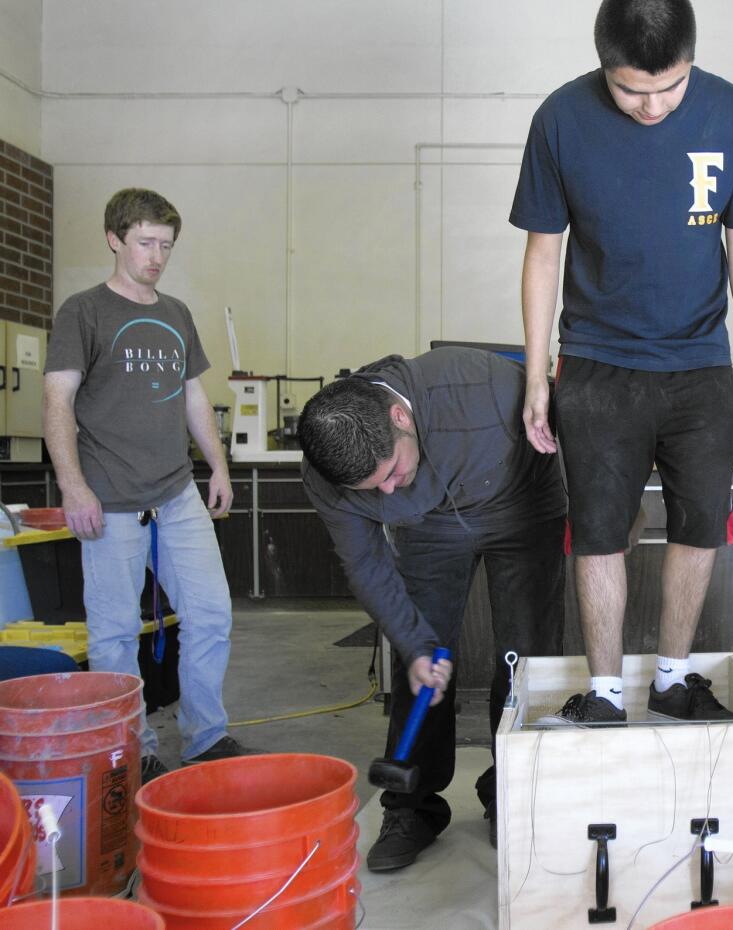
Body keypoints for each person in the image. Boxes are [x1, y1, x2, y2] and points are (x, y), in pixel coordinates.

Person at [510, 0, 733, 725]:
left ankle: (671, 678)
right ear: (604, 66)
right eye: (631, 90)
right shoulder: (562, 119)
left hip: (699, 365)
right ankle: (602, 695)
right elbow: (543, 254)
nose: (652, 105)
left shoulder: (730, 114)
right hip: (598, 365)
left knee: (700, 524)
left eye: (670, 87)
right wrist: (538, 375)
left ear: (691, 61)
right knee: (599, 532)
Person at [298, 348, 566, 871]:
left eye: (392, 471)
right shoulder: (328, 472)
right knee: (418, 657)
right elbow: (369, 566)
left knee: (526, 657)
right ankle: (412, 808)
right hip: (431, 525)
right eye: (371, 489)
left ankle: (515, 794)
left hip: (522, 504)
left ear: (400, 417)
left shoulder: (483, 391)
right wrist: (416, 643)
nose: (389, 489)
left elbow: (578, 431)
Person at [42, 188, 257, 785]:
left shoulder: (176, 313)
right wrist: (74, 486)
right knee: (112, 636)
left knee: (211, 614)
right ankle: (133, 747)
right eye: (145, 243)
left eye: (165, 245)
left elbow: (193, 397)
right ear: (114, 239)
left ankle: (206, 736)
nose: (156, 256)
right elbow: (56, 399)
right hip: (108, 499)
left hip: (176, 493)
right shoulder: (82, 313)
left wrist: (216, 465)